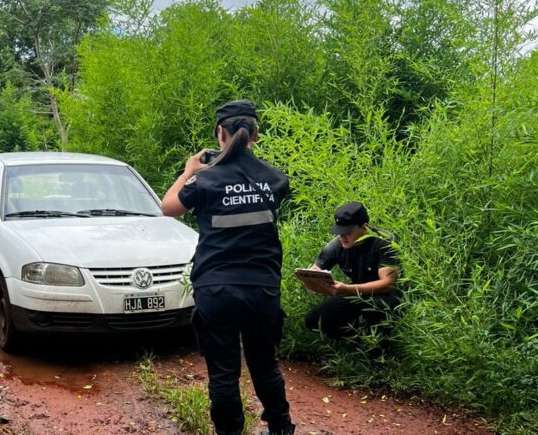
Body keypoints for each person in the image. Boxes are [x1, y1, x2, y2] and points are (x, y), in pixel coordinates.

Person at [161, 99, 295, 435]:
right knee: (265, 366)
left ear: (220, 133)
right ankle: (281, 428)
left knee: (223, 372)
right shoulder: (275, 179)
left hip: (215, 289)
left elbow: (168, 207)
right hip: (262, 288)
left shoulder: (205, 181)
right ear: (256, 134)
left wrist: (189, 171)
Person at [304, 202, 401, 340]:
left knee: (375, 311)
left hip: (385, 296)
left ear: (364, 227)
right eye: (339, 232)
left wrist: (347, 289)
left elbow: (388, 284)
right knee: (314, 321)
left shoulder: (383, 243)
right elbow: (316, 268)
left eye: (347, 232)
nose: (342, 237)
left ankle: (376, 354)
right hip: (355, 293)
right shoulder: (337, 244)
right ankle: (354, 341)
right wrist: (311, 279)